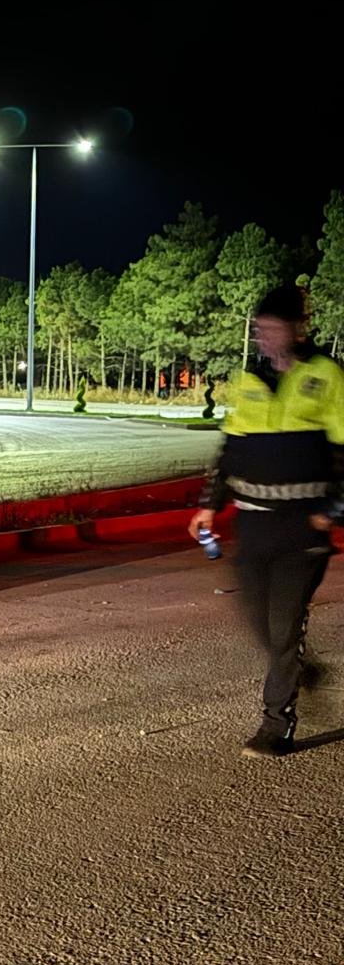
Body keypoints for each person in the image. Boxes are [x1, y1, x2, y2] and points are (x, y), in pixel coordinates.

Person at [190, 284, 344, 756]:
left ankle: (276, 726)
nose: (264, 338)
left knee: (283, 628)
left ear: (298, 329)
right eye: (259, 330)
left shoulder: (327, 376)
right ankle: (300, 666)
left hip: (302, 528)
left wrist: (332, 511)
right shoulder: (249, 381)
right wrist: (209, 504)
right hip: (252, 526)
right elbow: (230, 448)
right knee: (259, 623)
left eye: (272, 328)